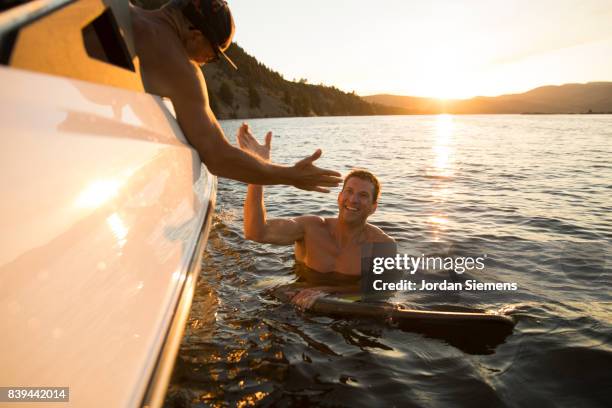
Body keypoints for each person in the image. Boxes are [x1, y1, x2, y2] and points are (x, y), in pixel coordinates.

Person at [129, 0, 341, 192]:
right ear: (196, 35)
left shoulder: (118, 8)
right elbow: (217, 156)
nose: (205, 62)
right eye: (212, 55)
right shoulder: (181, 69)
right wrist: (289, 175)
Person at [238, 125, 395, 309]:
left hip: (349, 310)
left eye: (363, 195)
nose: (353, 200)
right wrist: (260, 168)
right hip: (295, 306)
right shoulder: (310, 228)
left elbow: (383, 291)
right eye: (349, 191)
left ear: (373, 208)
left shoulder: (382, 244)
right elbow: (255, 232)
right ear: (339, 197)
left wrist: (326, 290)